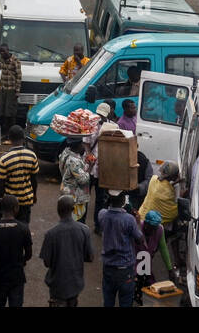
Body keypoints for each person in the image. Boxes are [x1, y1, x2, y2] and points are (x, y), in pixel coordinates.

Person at [0, 194, 34, 307]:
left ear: (0, 209)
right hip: (16, 278)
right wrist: (21, 261)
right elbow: (29, 254)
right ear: (15, 209)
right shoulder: (23, 229)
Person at [40, 194, 94, 306]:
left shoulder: (51, 234)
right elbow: (90, 257)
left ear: (58, 210)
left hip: (57, 285)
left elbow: (47, 262)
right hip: (75, 283)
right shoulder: (84, 230)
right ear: (73, 209)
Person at [99, 189, 144, 307]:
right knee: (125, 301)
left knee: (108, 300)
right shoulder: (129, 219)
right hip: (125, 269)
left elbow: (105, 210)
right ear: (124, 201)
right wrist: (138, 222)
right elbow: (140, 240)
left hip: (108, 267)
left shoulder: (102, 214)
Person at [0, 125, 38, 223]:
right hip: (26, 200)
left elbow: (0, 185)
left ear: (9, 139)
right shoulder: (32, 156)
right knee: (23, 228)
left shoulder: (4, 159)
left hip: (9, 202)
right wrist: (34, 195)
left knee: (3, 227)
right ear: (23, 138)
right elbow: (34, 180)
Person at [86, 101, 115, 233]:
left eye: (103, 115)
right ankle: (81, 223)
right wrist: (88, 155)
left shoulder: (114, 126)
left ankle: (98, 225)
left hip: (102, 168)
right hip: (89, 166)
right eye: (99, 114)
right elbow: (85, 143)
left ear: (109, 114)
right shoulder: (90, 124)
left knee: (100, 199)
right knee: (85, 197)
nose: (100, 117)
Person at [57, 139, 91, 222]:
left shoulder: (65, 153)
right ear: (78, 146)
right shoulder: (74, 161)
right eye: (82, 144)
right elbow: (83, 180)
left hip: (66, 190)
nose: (83, 146)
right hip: (76, 197)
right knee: (78, 220)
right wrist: (90, 166)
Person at [138, 161, 180, 227]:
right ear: (173, 177)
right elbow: (173, 213)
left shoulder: (153, 179)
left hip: (140, 216)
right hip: (150, 224)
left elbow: (164, 185)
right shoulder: (168, 192)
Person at [0, 43, 22, 137]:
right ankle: (4, 132)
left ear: (8, 50)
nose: (2, 53)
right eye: (1, 52)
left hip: (11, 89)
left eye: (4, 51)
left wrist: (17, 90)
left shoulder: (15, 61)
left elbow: (19, 76)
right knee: (1, 110)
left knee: (10, 112)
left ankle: (12, 133)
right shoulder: (2, 59)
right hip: (3, 88)